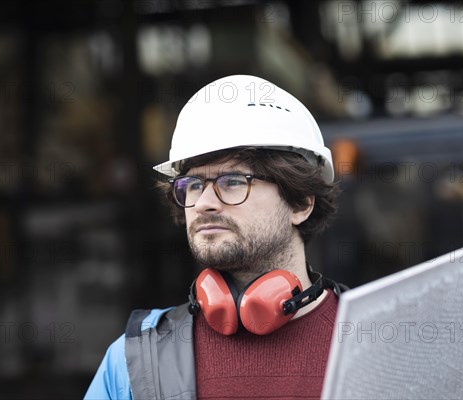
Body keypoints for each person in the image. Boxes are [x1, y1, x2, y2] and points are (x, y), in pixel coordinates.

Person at [84, 74, 345, 399]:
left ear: (301, 202)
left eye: (233, 181)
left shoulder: (376, 340)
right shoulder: (133, 362)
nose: (204, 203)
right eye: (192, 185)